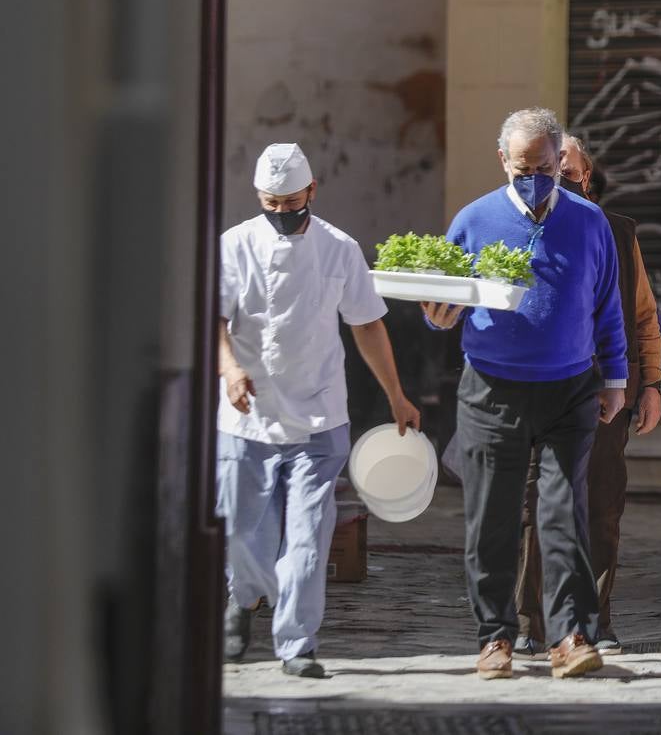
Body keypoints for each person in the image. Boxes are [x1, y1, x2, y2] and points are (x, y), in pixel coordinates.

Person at [422, 108, 627, 681]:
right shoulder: (473, 219)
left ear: (560, 161)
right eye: (521, 168)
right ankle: (495, 638)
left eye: (543, 166)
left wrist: (615, 380)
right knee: (492, 518)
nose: (532, 177)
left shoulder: (589, 222)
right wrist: (438, 320)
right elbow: (442, 302)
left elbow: (608, 307)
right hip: (492, 389)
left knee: (565, 516)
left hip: (570, 389)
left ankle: (569, 635)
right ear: (502, 162)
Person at [217, 143, 420, 678]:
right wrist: (230, 370)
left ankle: (297, 644)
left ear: (311, 190)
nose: (283, 212)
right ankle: (243, 597)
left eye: (291, 201)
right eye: (271, 203)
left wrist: (396, 394)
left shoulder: (340, 248)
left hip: (319, 415)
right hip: (247, 417)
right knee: (241, 529)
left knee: (308, 537)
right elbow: (213, 319)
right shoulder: (233, 246)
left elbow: (367, 324)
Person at [514, 135, 661, 656]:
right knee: (538, 506)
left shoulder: (619, 233)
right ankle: (531, 622)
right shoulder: (516, 228)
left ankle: (597, 618)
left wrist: (652, 386)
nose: (563, 183)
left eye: (571, 174)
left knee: (601, 506)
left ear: (587, 175)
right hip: (538, 389)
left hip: (606, 392)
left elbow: (643, 315)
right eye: (553, 174)